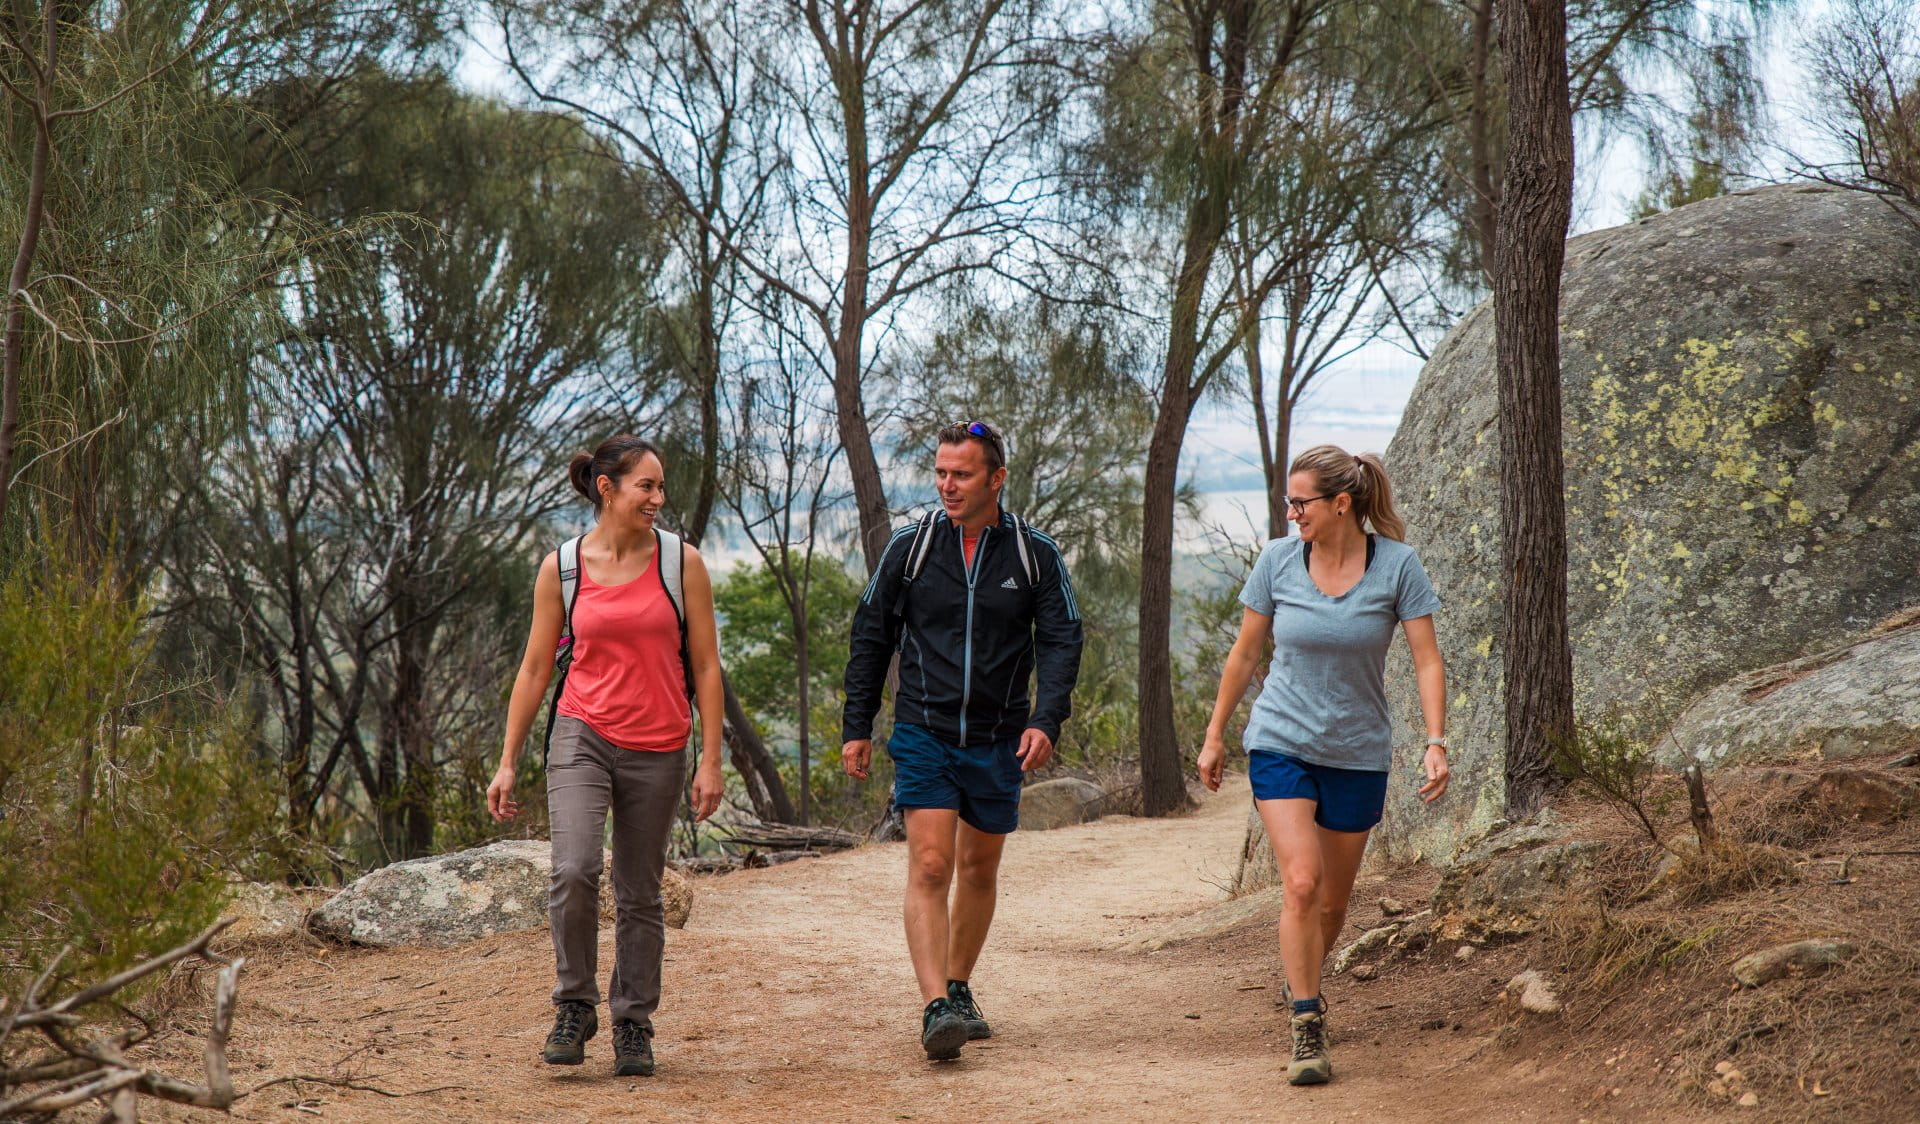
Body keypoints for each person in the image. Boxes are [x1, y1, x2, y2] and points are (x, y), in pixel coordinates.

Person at [1196, 445, 1448, 1087]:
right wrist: (1215, 734)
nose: (1291, 513)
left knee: (1333, 902)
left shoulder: (1397, 567)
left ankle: (1300, 972)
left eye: (1300, 502)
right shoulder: (1279, 561)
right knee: (1301, 883)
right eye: (1289, 501)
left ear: (1342, 504)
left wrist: (1435, 740)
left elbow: (1426, 660)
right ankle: (1307, 1020)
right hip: (1281, 741)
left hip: (1358, 754)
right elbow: (1245, 653)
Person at [841, 421, 1084, 1061]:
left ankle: (959, 985)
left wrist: (1045, 719)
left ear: (996, 479)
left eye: (963, 474)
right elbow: (872, 634)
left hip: (1001, 739)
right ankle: (935, 1008)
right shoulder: (911, 548)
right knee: (929, 865)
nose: (948, 485)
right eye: (942, 473)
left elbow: (1062, 640)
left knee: (979, 868)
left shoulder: (1035, 556)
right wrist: (857, 725)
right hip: (924, 729)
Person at [487, 435, 726, 1078]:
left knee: (641, 891)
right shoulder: (562, 567)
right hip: (581, 732)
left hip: (660, 743)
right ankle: (574, 1005)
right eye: (646, 486)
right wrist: (508, 758)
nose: (658, 497)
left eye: (661, 486)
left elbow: (705, 665)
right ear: (607, 489)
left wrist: (711, 759)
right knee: (573, 869)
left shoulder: (682, 564)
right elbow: (537, 667)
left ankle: (633, 1022)